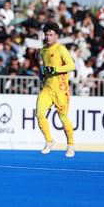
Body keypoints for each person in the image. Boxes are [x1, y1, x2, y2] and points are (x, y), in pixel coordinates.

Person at [36, 22, 76, 157]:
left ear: (56, 36)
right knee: (39, 113)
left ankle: (70, 145)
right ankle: (49, 141)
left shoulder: (61, 49)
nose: (48, 37)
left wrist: (56, 69)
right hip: (47, 88)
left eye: (50, 34)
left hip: (60, 89)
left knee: (63, 117)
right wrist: (42, 74)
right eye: (46, 34)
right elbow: (42, 67)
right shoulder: (42, 51)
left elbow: (71, 66)